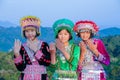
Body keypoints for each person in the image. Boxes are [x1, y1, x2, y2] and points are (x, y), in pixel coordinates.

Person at [13, 16, 51, 80]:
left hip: (41, 77)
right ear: (24, 33)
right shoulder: (22, 47)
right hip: (25, 77)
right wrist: (17, 54)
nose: (30, 33)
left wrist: (36, 51)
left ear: (37, 31)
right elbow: (20, 68)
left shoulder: (44, 45)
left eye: (32, 30)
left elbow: (47, 62)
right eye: (27, 31)